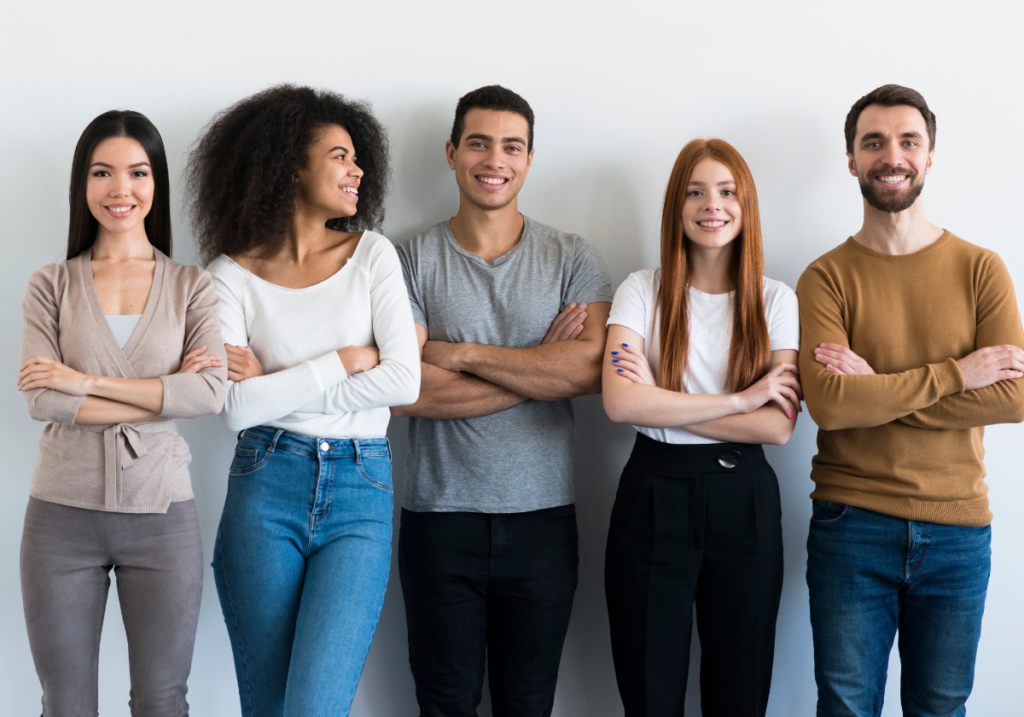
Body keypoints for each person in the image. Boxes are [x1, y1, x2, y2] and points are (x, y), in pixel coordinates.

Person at [186, 85, 420, 717]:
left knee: (314, 708)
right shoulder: (227, 277)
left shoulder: (373, 254)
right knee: (267, 709)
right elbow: (234, 409)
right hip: (265, 482)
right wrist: (343, 360)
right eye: (340, 156)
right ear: (291, 164)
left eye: (356, 158)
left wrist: (276, 381)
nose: (358, 170)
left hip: (359, 488)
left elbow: (404, 382)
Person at [798, 84, 1024, 717]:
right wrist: (958, 373)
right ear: (851, 160)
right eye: (873, 142)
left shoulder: (982, 269)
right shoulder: (826, 276)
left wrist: (877, 385)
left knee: (941, 708)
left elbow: (1013, 399)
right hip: (852, 524)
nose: (890, 155)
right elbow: (833, 406)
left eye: (907, 142)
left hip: (958, 529)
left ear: (929, 158)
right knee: (845, 707)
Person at [392, 84, 613, 717]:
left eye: (511, 146)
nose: (496, 159)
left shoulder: (572, 257)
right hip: (438, 520)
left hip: (543, 521)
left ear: (530, 158)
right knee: (444, 705)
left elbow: (588, 371)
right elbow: (404, 388)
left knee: (528, 704)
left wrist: (460, 353)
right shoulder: (408, 257)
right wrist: (536, 363)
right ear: (452, 152)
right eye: (480, 143)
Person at [18, 110, 226, 716]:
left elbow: (208, 396)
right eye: (102, 173)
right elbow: (43, 400)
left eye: (137, 172)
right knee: (66, 703)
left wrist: (83, 379)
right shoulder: (51, 284)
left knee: (162, 701)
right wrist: (162, 392)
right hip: (60, 518)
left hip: (163, 517)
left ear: (155, 182)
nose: (120, 189)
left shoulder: (192, 286)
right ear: (83, 185)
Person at [602, 138, 801, 716]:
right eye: (694, 192)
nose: (711, 205)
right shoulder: (641, 290)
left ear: (746, 204)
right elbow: (620, 403)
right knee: (649, 693)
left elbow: (778, 427)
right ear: (675, 206)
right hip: (653, 494)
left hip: (745, 502)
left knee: (740, 696)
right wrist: (740, 398)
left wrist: (661, 398)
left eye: (726, 191)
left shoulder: (775, 300)